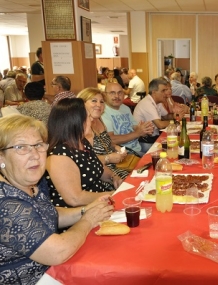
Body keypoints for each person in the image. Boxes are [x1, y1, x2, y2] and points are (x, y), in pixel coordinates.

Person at [0, 114, 113, 285]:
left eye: (38, 145)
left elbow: (46, 213)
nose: (35, 155)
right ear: (1, 158)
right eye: (21, 147)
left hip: (54, 273)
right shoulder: (6, 204)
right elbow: (57, 252)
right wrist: (88, 220)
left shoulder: (33, 182)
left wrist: (86, 210)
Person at [45, 98, 123, 208]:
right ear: (75, 122)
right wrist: (113, 195)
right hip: (81, 213)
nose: (91, 120)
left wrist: (114, 177)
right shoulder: (59, 155)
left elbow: (97, 168)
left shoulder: (82, 142)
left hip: (99, 202)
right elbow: (75, 198)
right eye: (88, 117)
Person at [77, 87, 128, 179]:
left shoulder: (99, 119)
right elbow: (84, 161)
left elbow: (107, 141)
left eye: (101, 102)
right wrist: (108, 158)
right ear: (82, 103)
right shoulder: (82, 127)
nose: (99, 105)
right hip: (100, 173)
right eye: (94, 101)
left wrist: (116, 147)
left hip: (115, 167)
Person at [101, 82, 154, 156]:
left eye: (120, 93)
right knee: (153, 159)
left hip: (137, 146)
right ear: (104, 95)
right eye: (112, 93)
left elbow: (135, 127)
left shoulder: (125, 108)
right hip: (125, 152)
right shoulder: (103, 112)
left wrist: (145, 129)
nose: (117, 96)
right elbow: (111, 139)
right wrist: (137, 133)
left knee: (161, 150)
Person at [133, 78, 180, 151]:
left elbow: (166, 116)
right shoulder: (147, 103)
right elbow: (160, 124)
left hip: (153, 137)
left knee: (176, 144)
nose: (166, 93)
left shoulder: (158, 102)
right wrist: (176, 122)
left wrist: (176, 115)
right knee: (173, 149)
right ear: (154, 92)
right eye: (163, 91)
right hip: (143, 142)